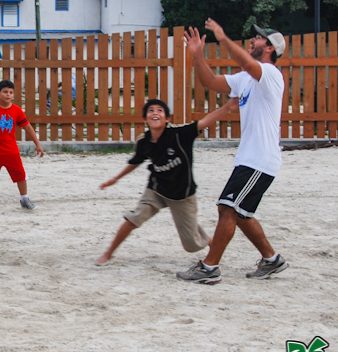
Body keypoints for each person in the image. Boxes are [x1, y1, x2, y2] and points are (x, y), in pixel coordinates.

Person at [176, 20, 288, 284]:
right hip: (250, 159)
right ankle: (272, 260)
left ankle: (209, 268)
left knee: (227, 208)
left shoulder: (270, 74)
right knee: (241, 214)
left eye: (258, 38)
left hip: (260, 159)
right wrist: (198, 56)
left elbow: (248, 64)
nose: (252, 40)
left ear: (270, 48)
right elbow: (210, 81)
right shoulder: (245, 79)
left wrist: (223, 37)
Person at [96, 97, 238, 266]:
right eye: (151, 111)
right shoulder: (144, 141)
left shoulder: (180, 134)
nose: (155, 113)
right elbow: (135, 162)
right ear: (145, 119)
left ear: (167, 118)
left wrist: (228, 106)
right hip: (156, 190)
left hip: (182, 194)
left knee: (192, 245)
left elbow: (204, 122)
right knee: (132, 219)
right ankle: (108, 253)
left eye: (159, 110)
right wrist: (115, 179)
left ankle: (210, 241)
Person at [0, 79, 45, 211]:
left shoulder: (17, 110)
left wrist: (37, 144)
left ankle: (24, 199)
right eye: (5, 92)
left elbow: (28, 128)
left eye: (11, 92)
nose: (8, 95)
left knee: (20, 175)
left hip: (11, 150)